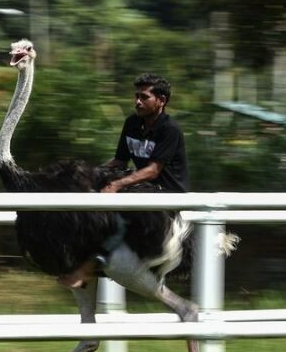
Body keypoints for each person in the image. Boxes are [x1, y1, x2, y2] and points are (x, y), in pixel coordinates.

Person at [57, 73, 189, 288]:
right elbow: (119, 161)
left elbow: (153, 170)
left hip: (167, 192)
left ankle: (90, 266)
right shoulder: (132, 123)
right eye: (137, 96)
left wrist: (116, 185)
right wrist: (92, 173)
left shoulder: (170, 130)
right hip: (142, 187)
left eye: (144, 97)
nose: (137, 101)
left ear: (161, 101)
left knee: (115, 214)